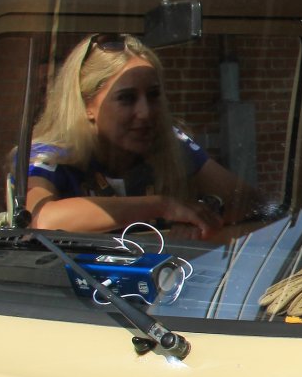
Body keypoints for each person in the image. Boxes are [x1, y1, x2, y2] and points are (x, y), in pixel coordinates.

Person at [25, 33, 257, 238]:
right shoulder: (51, 152)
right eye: (127, 98)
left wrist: (207, 210)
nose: (145, 113)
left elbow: (252, 202)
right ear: (87, 105)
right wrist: (162, 206)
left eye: (154, 95)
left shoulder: (169, 141)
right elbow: (42, 219)